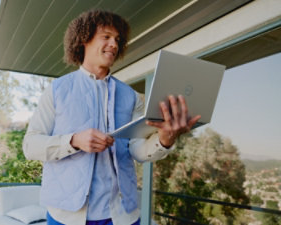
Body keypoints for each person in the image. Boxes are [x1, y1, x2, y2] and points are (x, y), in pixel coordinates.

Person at [23, 9, 200, 225]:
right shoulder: (57, 90)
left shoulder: (130, 96)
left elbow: (137, 150)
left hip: (121, 216)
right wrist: (74, 140)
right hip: (66, 215)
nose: (114, 45)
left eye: (117, 39)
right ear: (83, 39)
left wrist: (165, 139)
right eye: (106, 37)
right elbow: (30, 145)